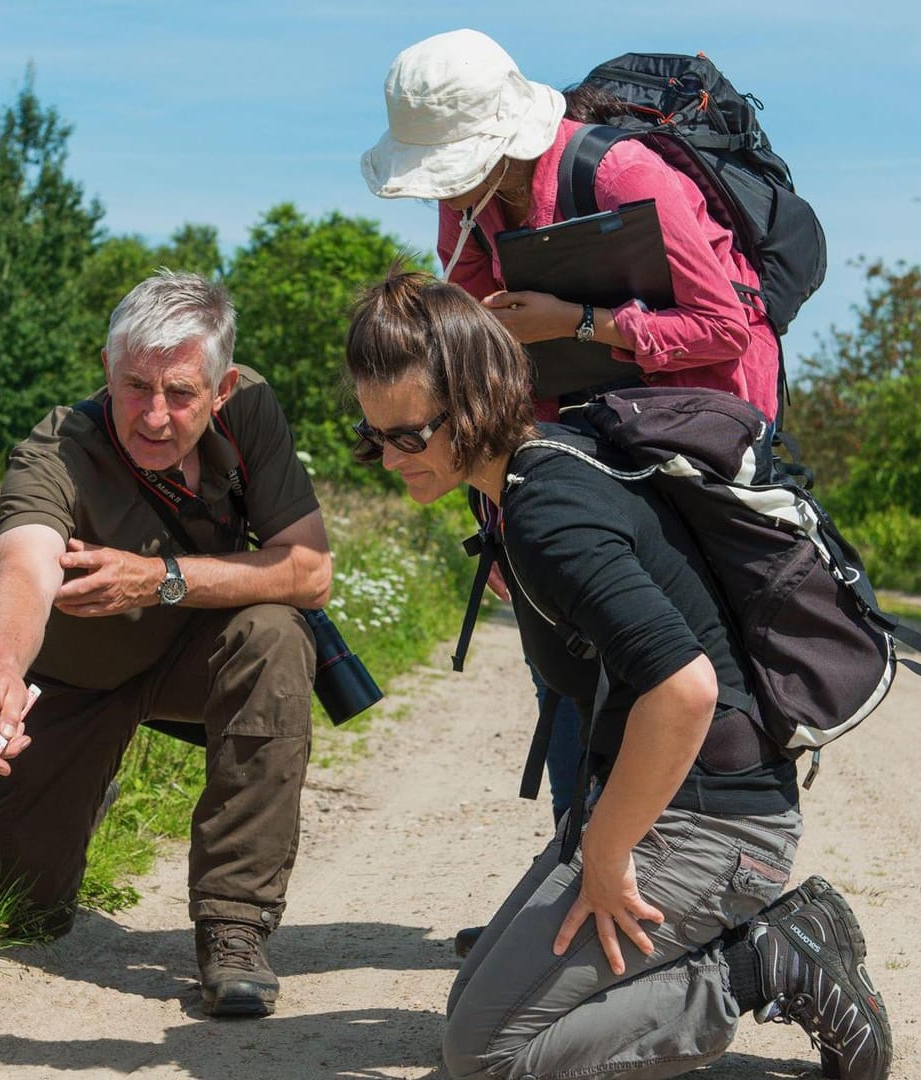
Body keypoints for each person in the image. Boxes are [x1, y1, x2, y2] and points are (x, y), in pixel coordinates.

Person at [345, 271, 890, 1080]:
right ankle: (757, 938)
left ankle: (763, 964)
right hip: (686, 799)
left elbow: (686, 687)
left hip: (718, 823)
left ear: (476, 403)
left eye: (408, 435)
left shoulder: (548, 513)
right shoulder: (545, 466)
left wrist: (606, 848)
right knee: (471, 1009)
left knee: (487, 1059)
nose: (389, 458)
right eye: (372, 437)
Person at [362, 27, 787, 875]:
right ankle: (574, 870)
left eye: (447, 165)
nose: (439, 192)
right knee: (560, 658)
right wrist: (498, 512)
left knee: (664, 655)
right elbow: (482, 367)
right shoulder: (468, 206)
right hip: (569, 436)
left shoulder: (625, 175)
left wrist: (579, 323)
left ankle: (697, 868)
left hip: (689, 431)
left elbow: (721, 328)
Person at [0, 270, 331, 1018]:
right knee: (17, 908)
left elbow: (309, 569)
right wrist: (1, 669)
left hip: (199, 655)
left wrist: (158, 580)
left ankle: (234, 924)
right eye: (135, 387)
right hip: (76, 678)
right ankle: (81, 791)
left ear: (222, 388)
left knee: (275, 636)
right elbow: (23, 566)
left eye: (181, 394)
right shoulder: (55, 447)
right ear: (107, 368)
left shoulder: (251, 410)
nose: (155, 415)